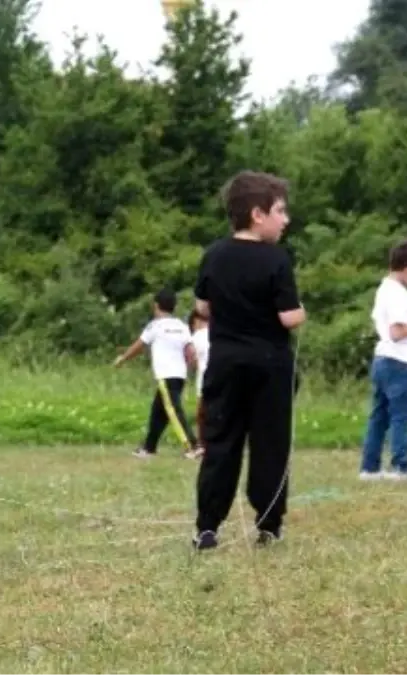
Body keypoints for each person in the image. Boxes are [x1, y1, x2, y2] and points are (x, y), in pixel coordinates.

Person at [191, 170, 307, 551]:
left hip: (224, 364)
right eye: (280, 211)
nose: (285, 219)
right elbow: (288, 317)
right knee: (269, 444)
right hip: (269, 367)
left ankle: (207, 526)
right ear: (258, 214)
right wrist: (301, 312)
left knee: (221, 442)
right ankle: (268, 525)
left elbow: (202, 307)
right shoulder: (277, 259)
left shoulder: (214, 254)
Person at [359, 239, 407, 482]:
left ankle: (369, 468)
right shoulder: (401, 296)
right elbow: (398, 332)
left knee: (379, 416)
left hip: (382, 359)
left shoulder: (384, 289)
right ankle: (402, 467)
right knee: (401, 416)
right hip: (400, 362)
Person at [113, 288, 199, 459]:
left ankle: (192, 446)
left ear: (156, 305)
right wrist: (192, 367)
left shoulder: (155, 326)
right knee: (158, 412)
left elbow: (140, 345)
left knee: (173, 410)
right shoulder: (181, 326)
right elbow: (190, 351)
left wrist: (123, 359)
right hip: (179, 375)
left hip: (165, 375)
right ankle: (149, 447)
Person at [189, 308, 210, 458]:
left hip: (204, 378)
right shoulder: (217, 333)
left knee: (201, 414)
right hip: (221, 377)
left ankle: (202, 445)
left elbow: (192, 359)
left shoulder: (197, 336)